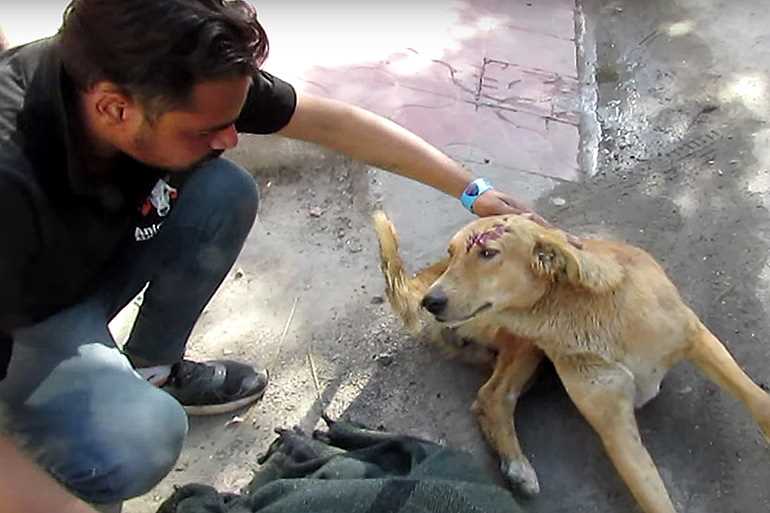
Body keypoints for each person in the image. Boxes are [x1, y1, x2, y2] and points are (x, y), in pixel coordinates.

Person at [0, 1, 558, 512]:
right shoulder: (11, 178)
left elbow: (329, 122)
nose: (231, 138)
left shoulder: (149, 74)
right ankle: (81, 436)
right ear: (114, 109)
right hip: (30, 313)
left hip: (83, 257)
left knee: (224, 189)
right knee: (136, 438)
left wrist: (470, 191)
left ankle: (151, 369)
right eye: (207, 129)